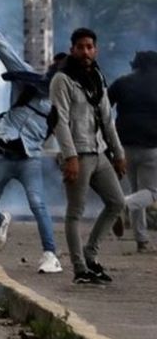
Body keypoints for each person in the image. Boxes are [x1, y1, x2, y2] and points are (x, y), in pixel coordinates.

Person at [0, 24, 63, 273]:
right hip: (2, 155)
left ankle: (50, 255)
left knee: (38, 204)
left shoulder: (61, 104)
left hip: (29, 160)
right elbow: (8, 54)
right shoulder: (28, 79)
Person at [50, 28, 127, 284]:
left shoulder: (97, 76)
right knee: (75, 213)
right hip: (78, 155)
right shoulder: (62, 79)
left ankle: (90, 255)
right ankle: (79, 268)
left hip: (98, 151)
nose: (85, 52)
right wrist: (69, 156)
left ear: (96, 49)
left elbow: (107, 118)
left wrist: (118, 153)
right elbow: (59, 120)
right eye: (81, 47)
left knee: (116, 202)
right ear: (72, 49)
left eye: (90, 47)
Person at [108, 50, 157, 252]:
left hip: (124, 145)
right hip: (151, 145)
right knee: (152, 193)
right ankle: (123, 205)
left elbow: (103, 107)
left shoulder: (121, 82)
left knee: (138, 193)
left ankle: (142, 240)